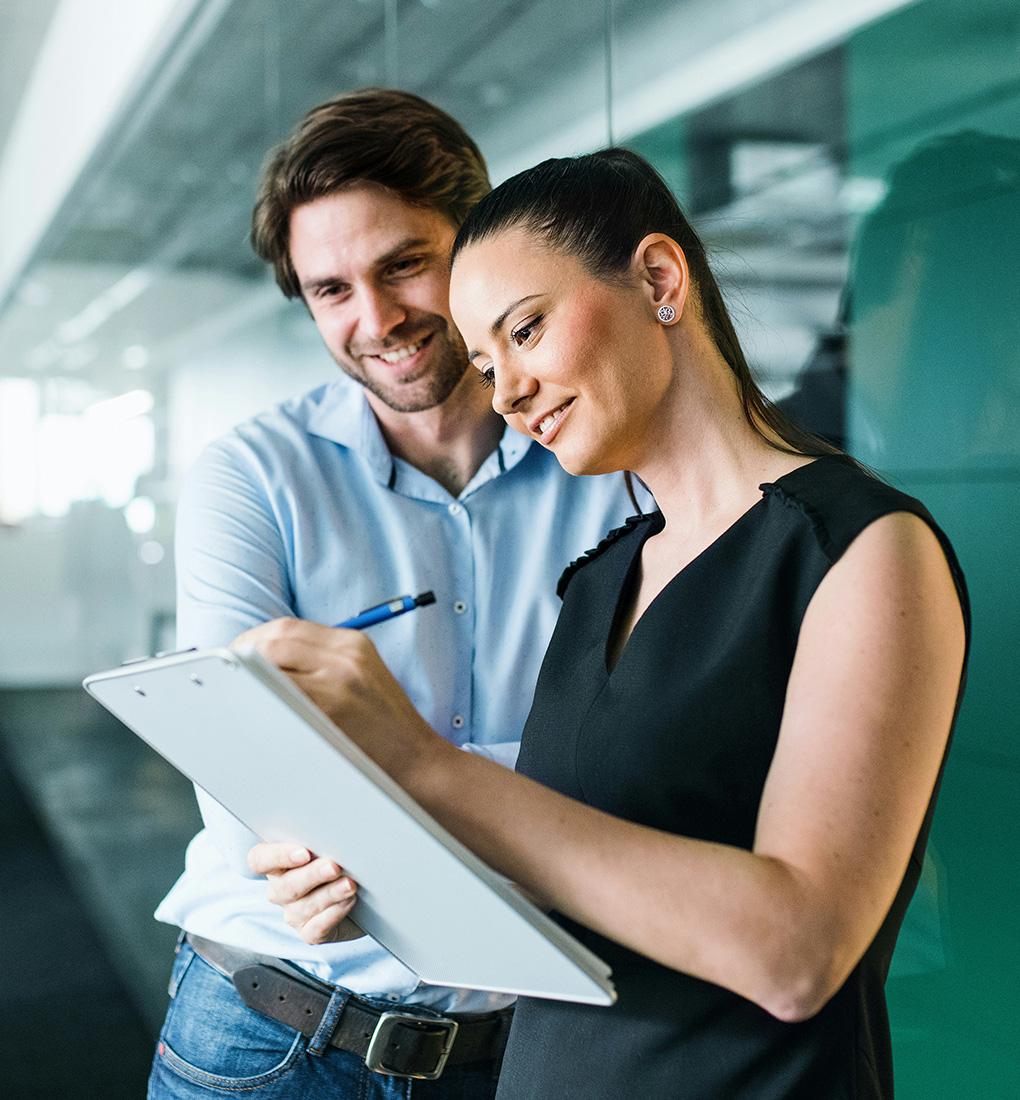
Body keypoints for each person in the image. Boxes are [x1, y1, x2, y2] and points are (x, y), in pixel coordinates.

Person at [244, 148, 969, 1099]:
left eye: (528, 330)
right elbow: (577, 881)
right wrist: (376, 885)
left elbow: (800, 953)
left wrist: (423, 765)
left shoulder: (863, 548)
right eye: (485, 362)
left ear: (660, 280)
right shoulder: (601, 578)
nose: (505, 394)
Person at [147, 92, 640, 1099]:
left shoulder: (615, 469)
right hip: (267, 1030)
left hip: (526, 1048)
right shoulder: (252, 474)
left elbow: (644, 761)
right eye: (331, 289)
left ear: (478, 243)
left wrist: (376, 783)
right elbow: (249, 779)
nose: (377, 320)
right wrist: (536, 799)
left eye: (404, 263)